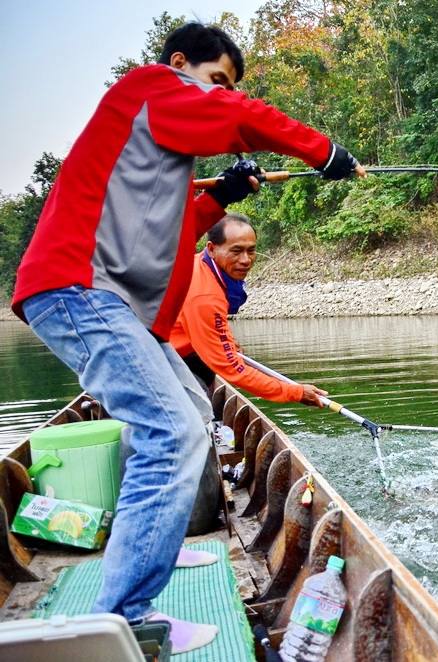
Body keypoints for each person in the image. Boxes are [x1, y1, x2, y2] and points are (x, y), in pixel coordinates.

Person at [11, 23, 365, 653]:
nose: (222, 93)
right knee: (170, 431)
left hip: (97, 298)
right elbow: (237, 115)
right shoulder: (150, 86)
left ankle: (147, 557)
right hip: (79, 289)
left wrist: (217, 199)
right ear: (181, 63)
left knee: (194, 413)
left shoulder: (151, 140)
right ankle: (121, 618)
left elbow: (157, 223)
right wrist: (323, 152)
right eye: (217, 79)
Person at [170, 213, 327, 404]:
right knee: (197, 419)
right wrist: (295, 392)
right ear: (211, 249)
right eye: (236, 251)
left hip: (175, 352)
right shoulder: (204, 296)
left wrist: (229, 344)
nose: (245, 260)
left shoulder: (202, 264)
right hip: (158, 361)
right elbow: (232, 369)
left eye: (251, 251)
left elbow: (207, 327)